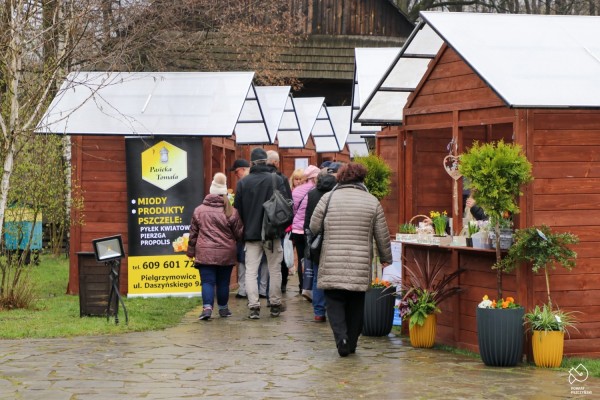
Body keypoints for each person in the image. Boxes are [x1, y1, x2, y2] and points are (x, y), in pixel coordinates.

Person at [310, 162, 392, 357]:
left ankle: (342, 338)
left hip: (332, 260)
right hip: (360, 262)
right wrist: (385, 257)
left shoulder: (328, 198)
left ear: (340, 177)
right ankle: (352, 342)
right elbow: (382, 234)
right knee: (356, 303)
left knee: (334, 301)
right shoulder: (372, 201)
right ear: (362, 178)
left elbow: (314, 226)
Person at [234, 148, 291, 319]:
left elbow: (238, 210)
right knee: (274, 269)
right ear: (266, 161)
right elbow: (287, 206)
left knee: (251, 270)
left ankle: (253, 307)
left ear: (251, 163)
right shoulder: (276, 179)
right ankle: (274, 304)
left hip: (251, 234)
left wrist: (247, 226)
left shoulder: (243, 183)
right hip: (272, 233)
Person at [187, 172, 244, 320]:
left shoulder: (199, 210)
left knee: (207, 282)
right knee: (223, 283)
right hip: (226, 253)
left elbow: (193, 234)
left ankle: (207, 309)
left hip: (204, 253)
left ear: (211, 191)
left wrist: (191, 251)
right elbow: (239, 234)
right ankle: (223, 309)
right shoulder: (231, 211)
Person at [303, 162, 341, 322]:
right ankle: (335, 311)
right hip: (336, 239)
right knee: (336, 278)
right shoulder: (338, 195)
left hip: (317, 240)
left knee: (319, 276)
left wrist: (309, 238)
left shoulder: (312, 194)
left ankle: (319, 312)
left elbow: (307, 221)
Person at [229, 159, 268, 300]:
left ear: (244, 169)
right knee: (264, 262)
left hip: (247, 229)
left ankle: (245, 291)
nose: (235, 174)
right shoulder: (268, 181)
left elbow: (238, 208)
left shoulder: (243, 184)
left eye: (236, 171)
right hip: (265, 229)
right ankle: (262, 290)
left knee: (246, 262)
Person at [266, 150, 294, 294]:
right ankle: (280, 285)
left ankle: (264, 287)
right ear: (276, 163)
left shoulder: (256, 178)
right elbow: (289, 201)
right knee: (279, 254)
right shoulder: (281, 178)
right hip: (278, 222)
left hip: (262, 224)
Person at [291, 164, 320, 299]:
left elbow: (293, 210)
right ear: (315, 177)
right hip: (310, 229)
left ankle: (301, 286)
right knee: (312, 259)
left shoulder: (296, 190)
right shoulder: (318, 191)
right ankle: (310, 287)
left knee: (301, 258)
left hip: (297, 229)